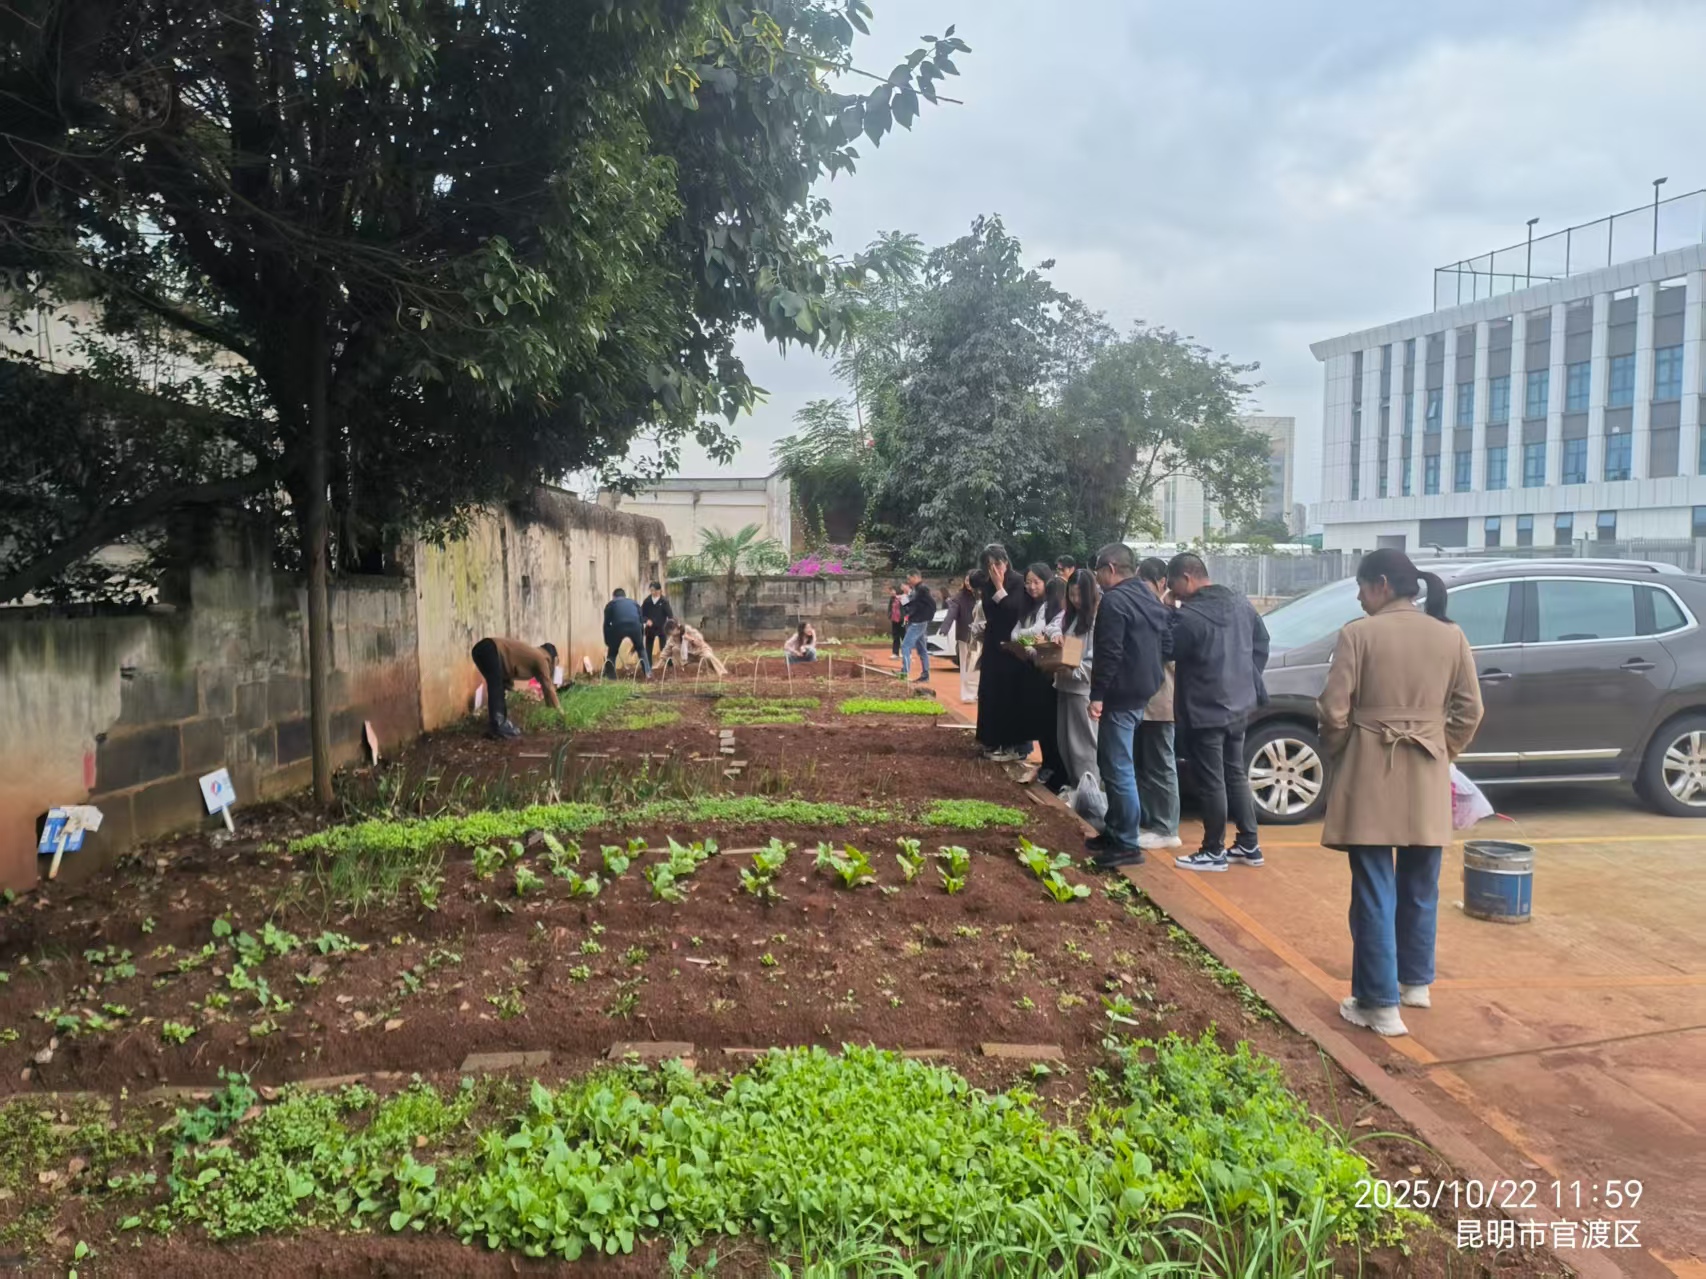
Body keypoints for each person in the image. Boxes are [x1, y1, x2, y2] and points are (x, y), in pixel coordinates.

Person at [1318, 549, 1484, 1038]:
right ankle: (1415, 983)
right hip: (1428, 769)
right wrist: (1443, 749)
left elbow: (1333, 710)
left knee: (1373, 887)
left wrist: (1344, 750)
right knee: (1420, 883)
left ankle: (1378, 1004)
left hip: (1372, 768)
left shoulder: (1358, 634)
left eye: (1361, 586)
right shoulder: (1451, 635)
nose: (1359, 597)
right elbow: (1471, 710)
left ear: (1382, 585)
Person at [1165, 552, 1269, 872]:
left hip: (1205, 707)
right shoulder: (1240, 601)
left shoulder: (1190, 616)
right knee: (1234, 773)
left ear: (1186, 578)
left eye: (1173, 585)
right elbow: (1262, 642)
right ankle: (1249, 844)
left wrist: (1168, 610)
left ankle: (1213, 851)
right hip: (1239, 703)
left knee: (1211, 780)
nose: (1173, 592)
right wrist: (1247, 677)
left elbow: (1167, 647)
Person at [1087, 543, 1172, 868]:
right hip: (1142, 690)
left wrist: (1098, 695)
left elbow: (1109, 653)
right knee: (1113, 762)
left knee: (1118, 765)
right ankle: (1114, 829)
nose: (1096, 578)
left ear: (1110, 568)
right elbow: (1167, 643)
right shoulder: (1148, 597)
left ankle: (1126, 843)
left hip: (1120, 694)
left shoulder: (1115, 601)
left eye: (1098, 571)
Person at [1134, 558, 1181, 851]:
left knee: (1162, 765)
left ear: (1161, 583)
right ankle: (1150, 821)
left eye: (1144, 582)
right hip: (1144, 701)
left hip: (1162, 701)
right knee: (1145, 765)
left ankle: (1167, 827)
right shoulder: (1154, 612)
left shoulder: (1169, 616)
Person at [973, 544, 1032, 762]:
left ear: (1006, 562)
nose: (995, 569)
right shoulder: (987, 585)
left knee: (1011, 693)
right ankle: (991, 739)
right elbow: (990, 611)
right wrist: (995, 587)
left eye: (998, 563)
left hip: (1013, 646)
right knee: (990, 691)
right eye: (989, 565)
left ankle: (1014, 745)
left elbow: (1012, 610)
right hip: (993, 644)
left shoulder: (1018, 581)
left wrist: (1000, 587)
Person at [1045, 567, 1099, 788]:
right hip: (1064, 686)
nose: (1076, 600)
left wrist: (1075, 671)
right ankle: (1076, 786)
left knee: (1084, 746)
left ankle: (1091, 790)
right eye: (1072, 594)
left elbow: (1096, 660)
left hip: (1082, 690)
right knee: (1065, 743)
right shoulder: (1070, 616)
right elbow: (1052, 626)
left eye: (1079, 595)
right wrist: (1056, 634)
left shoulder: (1096, 619)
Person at [470, 636, 560, 739]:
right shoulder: (542, 659)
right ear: (552, 659)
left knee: (498, 685)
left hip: (481, 650)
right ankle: (498, 725)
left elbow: (509, 668)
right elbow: (548, 686)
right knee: (496, 686)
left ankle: (498, 724)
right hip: (490, 649)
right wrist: (559, 711)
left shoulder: (533, 654)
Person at [942, 575, 982, 704]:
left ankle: (979, 692)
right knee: (966, 666)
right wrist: (945, 627)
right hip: (965, 637)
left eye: (971, 580)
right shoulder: (959, 598)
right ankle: (968, 694)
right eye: (967, 580)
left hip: (982, 637)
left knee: (980, 666)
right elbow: (952, 613)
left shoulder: (983, 596)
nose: (969, 583)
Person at [602, 588, 650, 678]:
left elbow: (607, 624)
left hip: (618, 627)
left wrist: (608, 642)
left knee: (612, 653)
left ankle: (611, 677)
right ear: (624, 596)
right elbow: (641, 621)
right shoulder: (634, 603)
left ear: (614, 596)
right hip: (635, 626)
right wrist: (640, 640)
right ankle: (648, 673)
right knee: (641, 650)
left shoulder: (611, 604)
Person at [900, 570, 935, 682]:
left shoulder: (922, 589)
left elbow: (932, 604)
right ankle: (925, 675)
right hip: (918, 621)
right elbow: (912, 604)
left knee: (905, 646)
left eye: (909, 579)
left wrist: (927, 617)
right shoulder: (917, 589)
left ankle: (904, 673)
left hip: (918, 622)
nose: (908, 581)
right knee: (922, 649)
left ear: (915, 577)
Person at [641, 581, 674, 666]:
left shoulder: (664, 601)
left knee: (664, 647)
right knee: (648, 648)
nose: (653, 592)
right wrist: (646, 620)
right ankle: (648, 666)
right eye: (651, 590)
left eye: (654, 590)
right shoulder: (647, 601)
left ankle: (669, 665)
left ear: (659, 590)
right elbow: (641, 614)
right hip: (650, 628)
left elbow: (670, 616)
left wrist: (670, 627)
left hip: (661, 628)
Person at [888, 584, 907, 657]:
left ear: (896, 590)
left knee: (903, 636)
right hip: (894, 620)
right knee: (895, 636)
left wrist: (905, 617)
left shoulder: (903, 598)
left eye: (892, 590)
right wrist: (890, 615)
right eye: (890, 591)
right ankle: (895, 653)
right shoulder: (892, 599)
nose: (891, 592)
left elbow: (907, 608)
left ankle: (906, 652)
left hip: (902, 620)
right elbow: (890, 608)